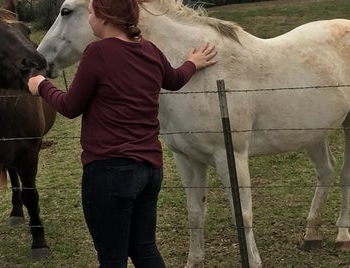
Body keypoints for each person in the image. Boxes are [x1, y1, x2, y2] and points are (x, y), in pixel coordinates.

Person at [27, 0, 217, 266]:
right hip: (149, 171)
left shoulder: (97, 53)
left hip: (109, 172)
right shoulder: (149, 50)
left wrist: (42, 86)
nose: (89, 19)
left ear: (104, 18)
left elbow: (70, 107)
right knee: (145, 249)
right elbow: (173, 80)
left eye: (91, 13)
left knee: (112, 257)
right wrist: (192, 63)